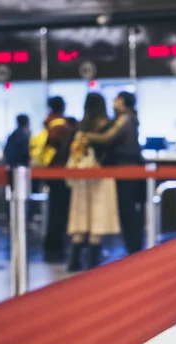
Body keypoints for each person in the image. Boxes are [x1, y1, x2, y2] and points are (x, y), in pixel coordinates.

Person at [83, 91, 145, 254]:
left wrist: (85, 136)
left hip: (125, 170)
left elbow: (108, 138)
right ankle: (133, 247)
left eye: (117, 100)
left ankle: (133, 248)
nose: (114, 102)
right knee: (128, 209)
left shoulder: (125, 119)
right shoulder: (130, 118)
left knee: (127, 209)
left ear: (123, 102)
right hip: (128, 169)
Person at [67, 93, 121, 271]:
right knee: (98, 216)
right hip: (101, 175)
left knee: (80, 215)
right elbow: (111, 148)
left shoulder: (80, 127)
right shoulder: (107, 125)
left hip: (81, 177)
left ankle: (74, 260)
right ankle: (92, 263)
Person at [43, 96, 72, 263]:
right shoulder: (61, 125)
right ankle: (55, 247)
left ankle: (52, 246)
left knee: (55, 211)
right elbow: (59, 149)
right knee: (59, 213)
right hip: (60, 173)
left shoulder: (49, 123)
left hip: (50, 172)